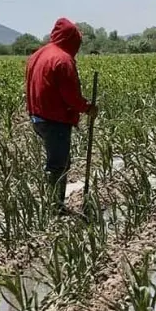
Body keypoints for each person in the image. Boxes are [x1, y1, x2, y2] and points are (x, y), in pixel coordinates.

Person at [25, 17, 98, 215]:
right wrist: (88, 107)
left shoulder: (38, 54)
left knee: (56, 161)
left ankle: (53, 204)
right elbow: (71, 96)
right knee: (58, 164)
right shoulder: (63, 59)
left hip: (37, 116)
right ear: (71, 39)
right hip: (54, 118)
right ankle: (54, 208)